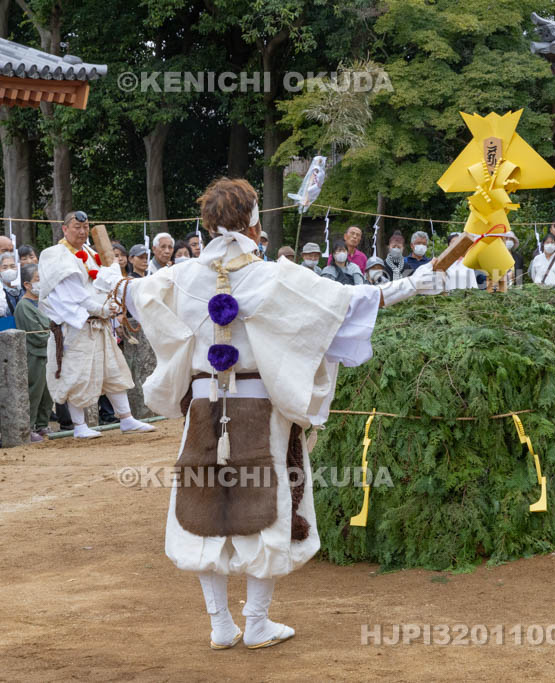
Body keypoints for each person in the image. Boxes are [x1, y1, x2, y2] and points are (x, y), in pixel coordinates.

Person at [93, 177, 445, 651]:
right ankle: (254, 622)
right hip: (261, 406)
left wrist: (113, 281)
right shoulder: (272, 276)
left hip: (203, 406)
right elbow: (344, 304)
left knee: (203, 507)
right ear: (254, 223)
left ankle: (222, 624)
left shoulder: (180, 276)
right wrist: (409, 286)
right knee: (265, 507)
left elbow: (131, 296)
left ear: (207, 224)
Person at [36, 211, 155, 439]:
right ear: (64, 229)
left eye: (85, 227)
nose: (81, 232)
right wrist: (101, 309)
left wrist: (113, 304)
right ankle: (79, 425)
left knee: (114, 370)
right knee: (76, 374)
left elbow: (104, 281)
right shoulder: (54, 255)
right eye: (76, 227)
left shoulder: (90, 252)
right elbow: (72, 294)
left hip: (101, 324)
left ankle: (126, 418)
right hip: (75, 325)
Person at [14, 264, 52, 442]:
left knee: (47, 392)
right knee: (34, 391)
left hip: (49, 354)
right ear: (27, 284)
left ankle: (43, 424)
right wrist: (53, 332)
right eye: (38, 279)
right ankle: (29, 426)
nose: (41, 283)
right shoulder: (24, 306)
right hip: (34, 355)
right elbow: (38, 336)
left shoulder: (44, 302)